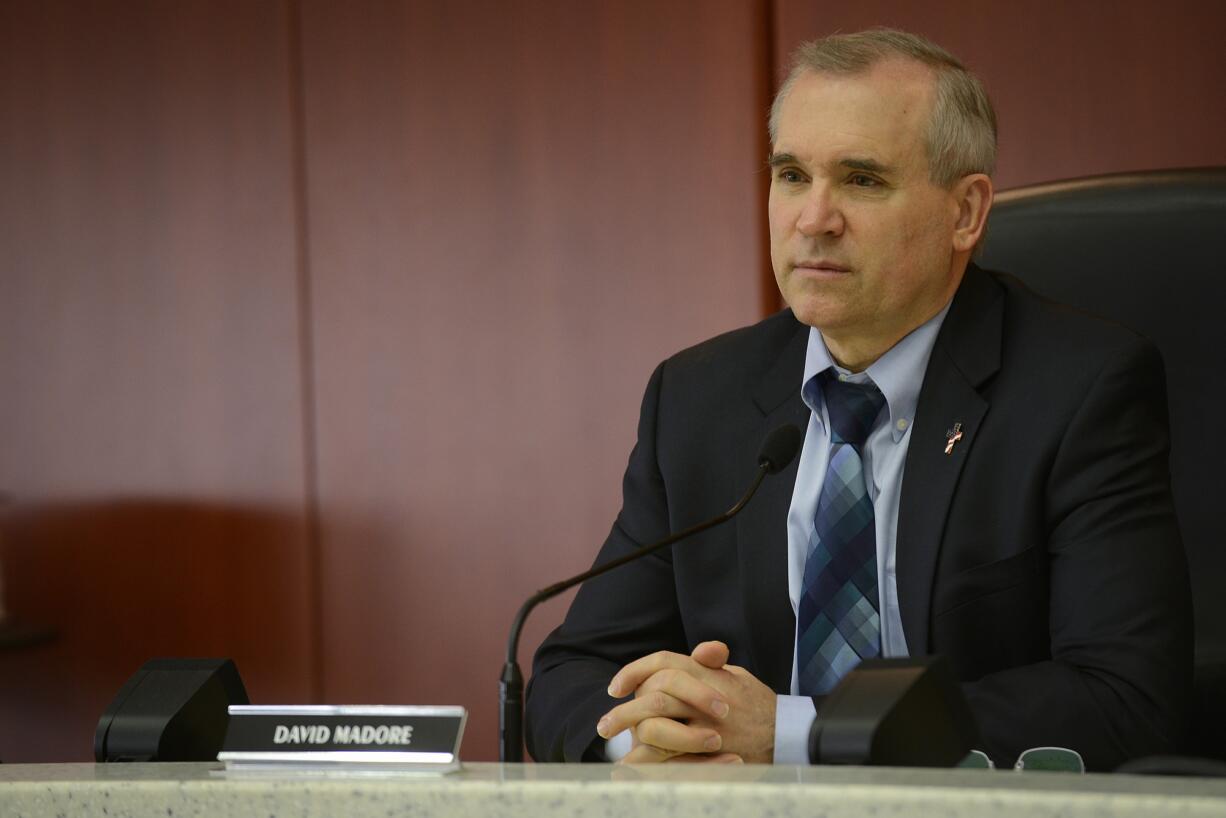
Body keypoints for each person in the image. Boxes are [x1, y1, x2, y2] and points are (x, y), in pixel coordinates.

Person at [524, 28, 1191, 772]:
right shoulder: (697, 398)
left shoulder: (1078, 389)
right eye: (791, 175)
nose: (813, 219)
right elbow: (568, 675)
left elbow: (1125, 698)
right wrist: (646, 740)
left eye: (862, 180)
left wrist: (793, 734)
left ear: (965, 213)